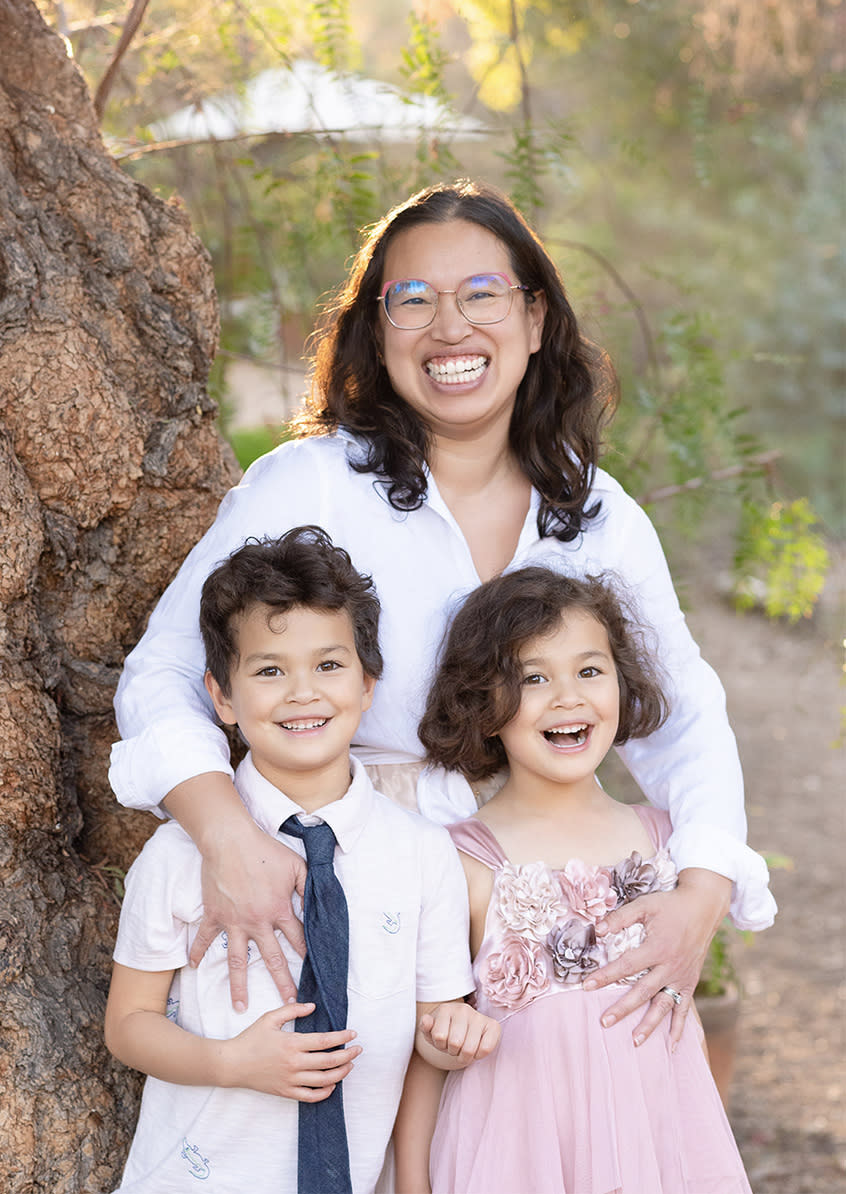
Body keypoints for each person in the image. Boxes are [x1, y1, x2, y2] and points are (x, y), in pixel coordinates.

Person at [109, 178, 775, 1050]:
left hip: (535, 904)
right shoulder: (309, 486)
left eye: (484, 295)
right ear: (376, 331)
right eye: (413, 299)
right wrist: (227, 838)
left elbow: (683, 716)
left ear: (536, 322)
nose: (451, 327)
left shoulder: (598, 516)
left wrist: (703, 892)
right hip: (339, 880)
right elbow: (162, 674)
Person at [104, 527, 500, 1192]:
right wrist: (232, 1063)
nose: (301, 692)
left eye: (328, 664)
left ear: (369, 682)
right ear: (222, 698)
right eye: (268, 670)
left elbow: (433, 1030)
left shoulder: (424, 852)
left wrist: (454, 1035)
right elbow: (128, 1025)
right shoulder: (178, 853)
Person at [394, 567, 753, 1193]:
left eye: (589, 671)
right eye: (533, 678)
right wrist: (413, 1184)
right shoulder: (464, 861)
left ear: (622, 682)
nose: (568, 697)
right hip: (517, 1158)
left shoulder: (671, 846)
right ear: (484, 703)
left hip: (661, 1156)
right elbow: (425, 1050)